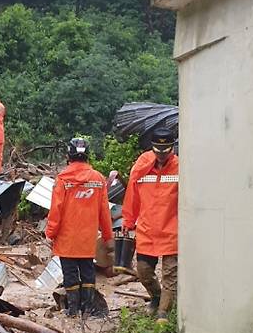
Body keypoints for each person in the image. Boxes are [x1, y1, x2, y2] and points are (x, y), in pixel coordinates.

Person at [46, 137, 114, 317]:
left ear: (68, 155)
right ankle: (88, 308)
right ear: (88, 155)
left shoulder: (63, 179)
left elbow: (56, 211)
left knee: (70, 274)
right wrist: (108, 237)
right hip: (87, 238)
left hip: (67, 238)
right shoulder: (98, 179)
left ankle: (73, 310)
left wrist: (50, 233)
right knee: (87, 272)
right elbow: (104, 213)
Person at [122, 127, 178, 321]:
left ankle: (164, 312)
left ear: (172, 148)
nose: (162, 155)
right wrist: (128, 220)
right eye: (157, 150)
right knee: (144, 271)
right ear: (152, 148)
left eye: (166, 150)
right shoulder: (142, 167)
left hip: (172, 230)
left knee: (170, 275)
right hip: (147, 229)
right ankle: (156, 297)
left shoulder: (181, 167)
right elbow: (132, 195)